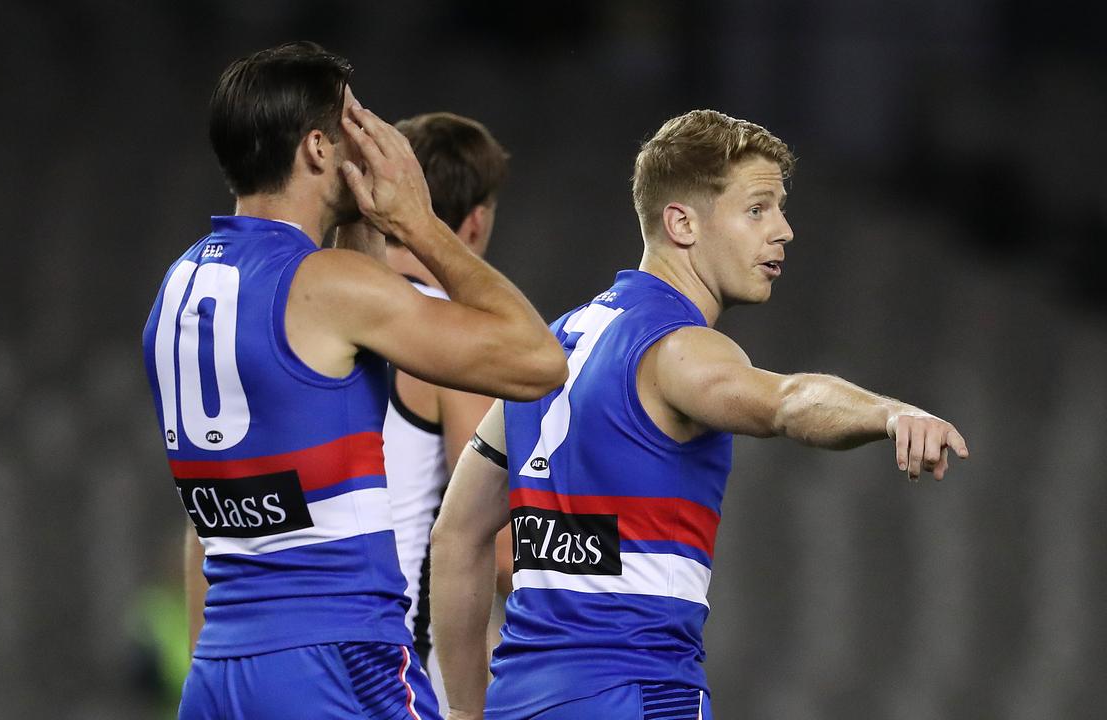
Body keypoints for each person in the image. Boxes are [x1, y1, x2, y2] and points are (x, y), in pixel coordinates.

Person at [429, 109, 970, 720]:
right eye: (758, 208)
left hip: (521, 702)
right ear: (682, 223)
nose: (785, 230)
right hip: (640, 695)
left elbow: (455, 536)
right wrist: (890, 414)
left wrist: (466, 712)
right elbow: (788, 402)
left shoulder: (549, 347)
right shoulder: (677, 348)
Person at [142, 42, 567, 720]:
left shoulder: (180, 286)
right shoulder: (327, 288)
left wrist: (364, 226)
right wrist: (418, 222)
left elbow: (210, 521)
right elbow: (539, 360)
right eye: (355, 127)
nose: (372, 145)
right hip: (336, 661)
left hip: (222, 668)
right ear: (317, 148)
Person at [379, 112, 511, 710]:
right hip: (393, 673)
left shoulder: (308, 313)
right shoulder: (447, 344)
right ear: (476, 224)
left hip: (284, 662)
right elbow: (497, 548)